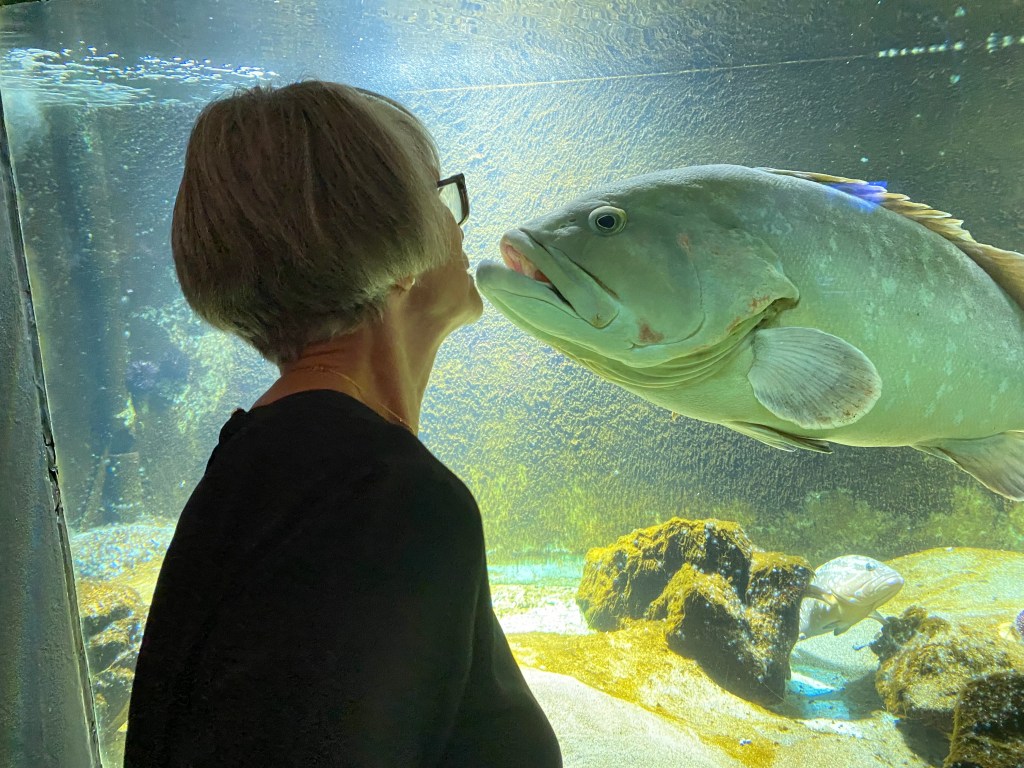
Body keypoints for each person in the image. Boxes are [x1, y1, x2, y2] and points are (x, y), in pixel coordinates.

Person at [123, 80, 562, 767]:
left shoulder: (269, 465)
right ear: (392, 244)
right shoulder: (386, 499)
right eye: (440, 197)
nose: (460, 223)